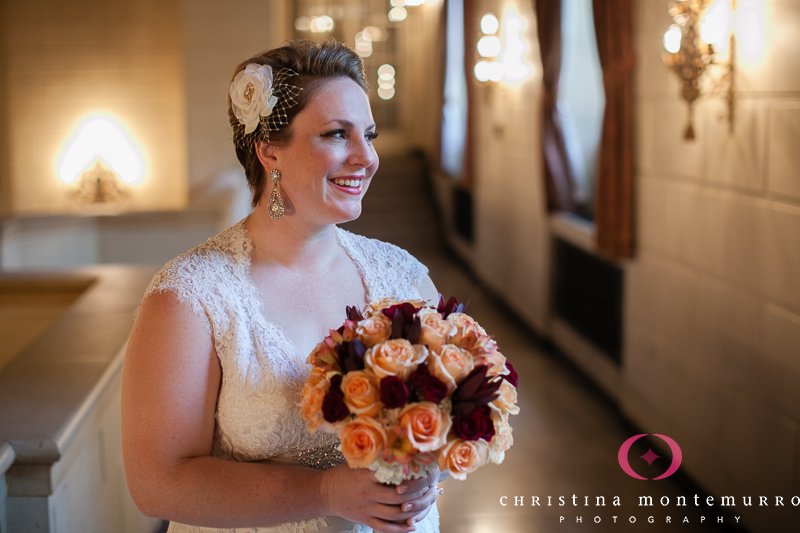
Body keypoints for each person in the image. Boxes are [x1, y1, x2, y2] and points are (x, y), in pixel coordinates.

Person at [121, 40, 444, 533]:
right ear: (270, 150)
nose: (366, 157)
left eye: (369, 135)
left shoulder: (403, 276)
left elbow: (449, 416)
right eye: (338, 134)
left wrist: (427, 469)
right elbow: (157, 484)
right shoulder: (191, 298)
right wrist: (326, 491)